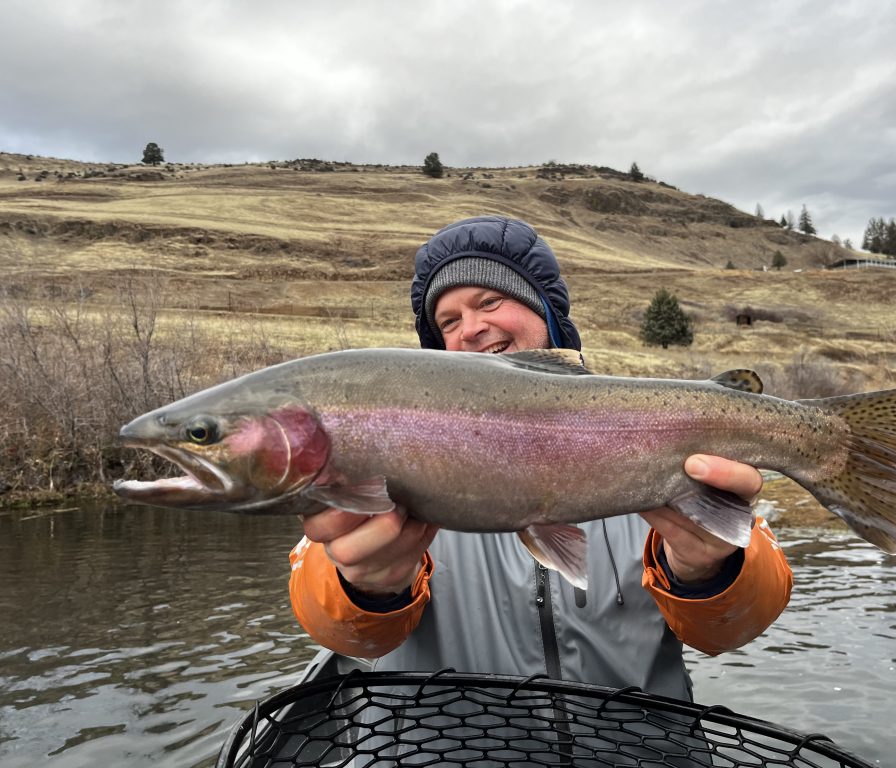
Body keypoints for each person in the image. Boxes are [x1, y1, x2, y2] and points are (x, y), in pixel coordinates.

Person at [289, 215, 792, 700]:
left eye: (489, 301)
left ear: (546, 312)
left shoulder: (652, 429)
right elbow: (345, 636)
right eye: (448, 321)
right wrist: (365, 587)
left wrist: (711, 572)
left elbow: (731, 633)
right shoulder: (389, 458)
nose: (471, 328)